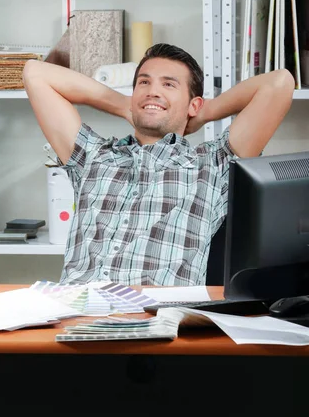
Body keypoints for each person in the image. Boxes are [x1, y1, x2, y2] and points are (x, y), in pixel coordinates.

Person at [23, 43, 295, 286]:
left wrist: (203, 113)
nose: (152, 91)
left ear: (194, 104)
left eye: (168, 85)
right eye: (144, 83)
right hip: (75, 314)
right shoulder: (93, 156)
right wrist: (125, 105)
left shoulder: (212, 166)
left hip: (155, 321)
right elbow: (35, 73)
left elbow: (279, 84)